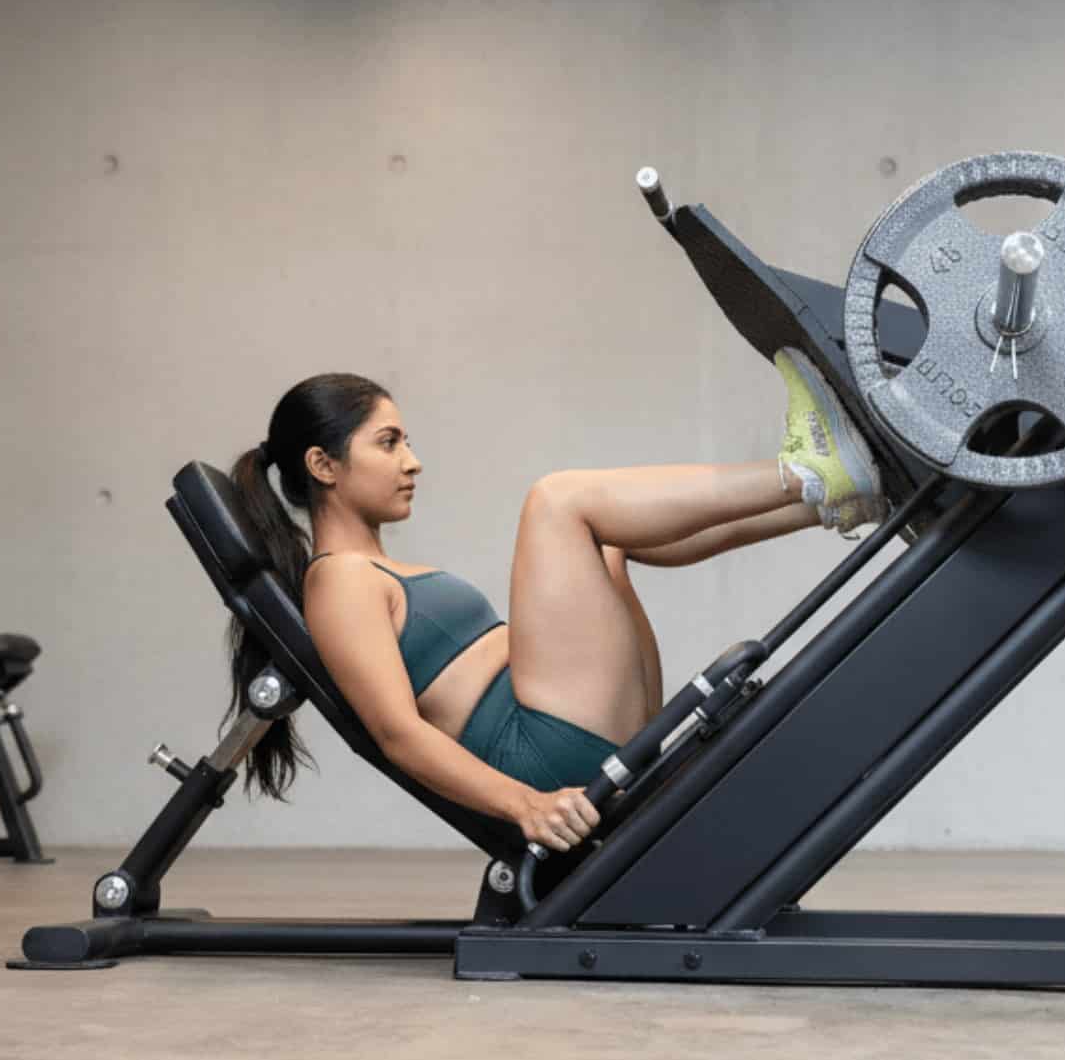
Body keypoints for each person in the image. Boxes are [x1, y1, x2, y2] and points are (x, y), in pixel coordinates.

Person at [224, 351, 885, 852]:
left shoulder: (376, 568)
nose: (413, 461)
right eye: (388, 443)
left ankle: (834, 500)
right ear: (323, 465)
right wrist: (525, 806)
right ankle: (804, 471)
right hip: (540, 756)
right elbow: (398, 734)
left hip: (561, 728)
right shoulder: (337, 580)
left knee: (607, 545)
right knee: (558, 501)